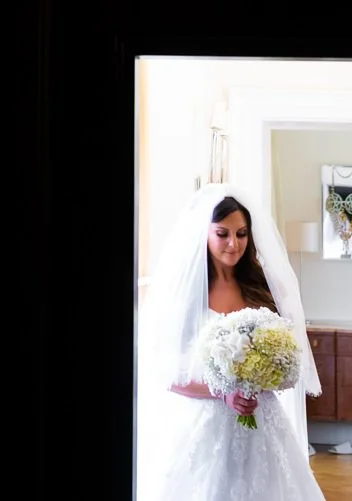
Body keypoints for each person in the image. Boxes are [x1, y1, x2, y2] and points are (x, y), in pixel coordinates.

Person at [137, 183, 328, 500]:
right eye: (222, 233)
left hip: (263, 423)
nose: (233, 243)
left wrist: (265, 380)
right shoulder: (186, 295)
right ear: (206, 233)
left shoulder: (266, 286)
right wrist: (223, 394)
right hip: (204, 427)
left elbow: (288, 354)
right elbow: (166, 374)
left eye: (241, 234)